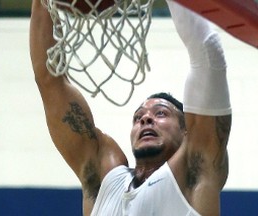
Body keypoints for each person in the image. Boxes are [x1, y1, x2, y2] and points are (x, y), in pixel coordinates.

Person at [30, 0, 232, 215]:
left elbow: (208, 52)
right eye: (138, 117)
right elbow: (50, 81)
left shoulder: (195, 172)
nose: (145, 119)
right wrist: (43, 4)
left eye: (161, 113)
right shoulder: (104, 179)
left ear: (186, 131)